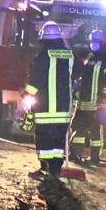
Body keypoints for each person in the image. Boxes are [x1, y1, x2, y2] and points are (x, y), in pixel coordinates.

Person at [24, 21, 78, 179]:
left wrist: (26, 96)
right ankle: (55, 171)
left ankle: (45, 168)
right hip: (64, 107)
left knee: (44, 138)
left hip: (45, 107)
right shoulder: (70, 55)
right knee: (59, 140)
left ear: (43, 38)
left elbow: (35, 80)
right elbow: (77, 74)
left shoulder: (42, 56)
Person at [70, 30, 106, 166]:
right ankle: (75, 154)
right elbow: (83, 78)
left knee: (95, 132)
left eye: (95, 42)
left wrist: (105, 99)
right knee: (78, 128)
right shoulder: (90, 58)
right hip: (83, 103)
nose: (92, 44)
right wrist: (76, 91)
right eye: (91, 41)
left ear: (102, 43)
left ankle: (95, 158)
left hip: (97, 104)